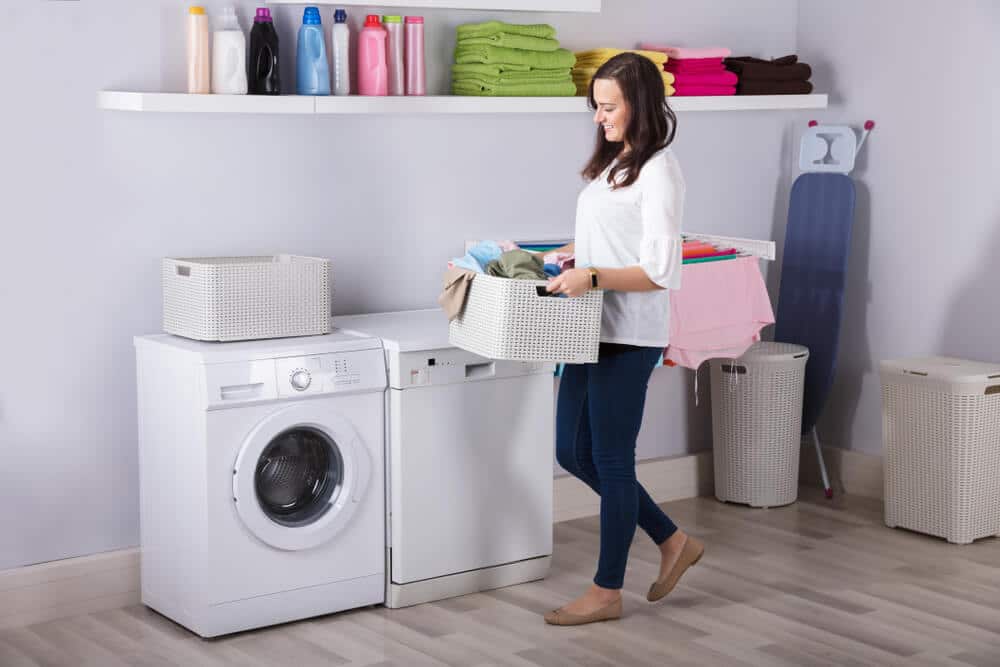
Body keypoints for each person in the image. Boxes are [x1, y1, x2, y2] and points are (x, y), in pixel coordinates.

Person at [542, 52, 704, 626]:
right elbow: (610, 241)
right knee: (570, 449)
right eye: (596, 107)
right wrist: (570, 256)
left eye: (608, 107)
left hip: (629, 335)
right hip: (591, 328)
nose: (598, 118)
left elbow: (661, 271)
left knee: (611, 459)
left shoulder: (660, 170)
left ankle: (606, 591)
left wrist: (591, 276)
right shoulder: (619, 165)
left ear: (640, 104)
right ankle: (671, 538)